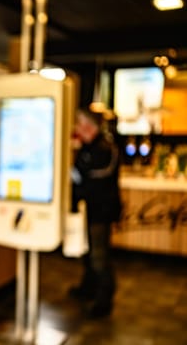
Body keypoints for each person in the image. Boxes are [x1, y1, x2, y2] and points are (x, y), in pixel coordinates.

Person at [69, 108, 122, 318]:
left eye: (80, 124)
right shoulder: (88, 148)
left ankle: (104, 300)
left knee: (99, 256)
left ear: (90, 126)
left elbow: (92, 182)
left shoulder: (104, 150)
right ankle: (88, 288)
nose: (77, 129)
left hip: (101, 211)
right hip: (89, 211)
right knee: (88, 252)